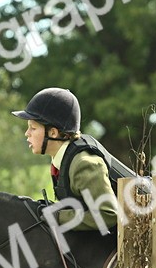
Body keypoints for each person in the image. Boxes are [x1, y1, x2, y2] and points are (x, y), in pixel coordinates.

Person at [13, 87, 120, 233]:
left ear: (53, 133)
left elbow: (108, 214)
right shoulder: (61, 159)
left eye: (33, 128)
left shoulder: (84, 164)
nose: (27, 134)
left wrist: (58, 217)